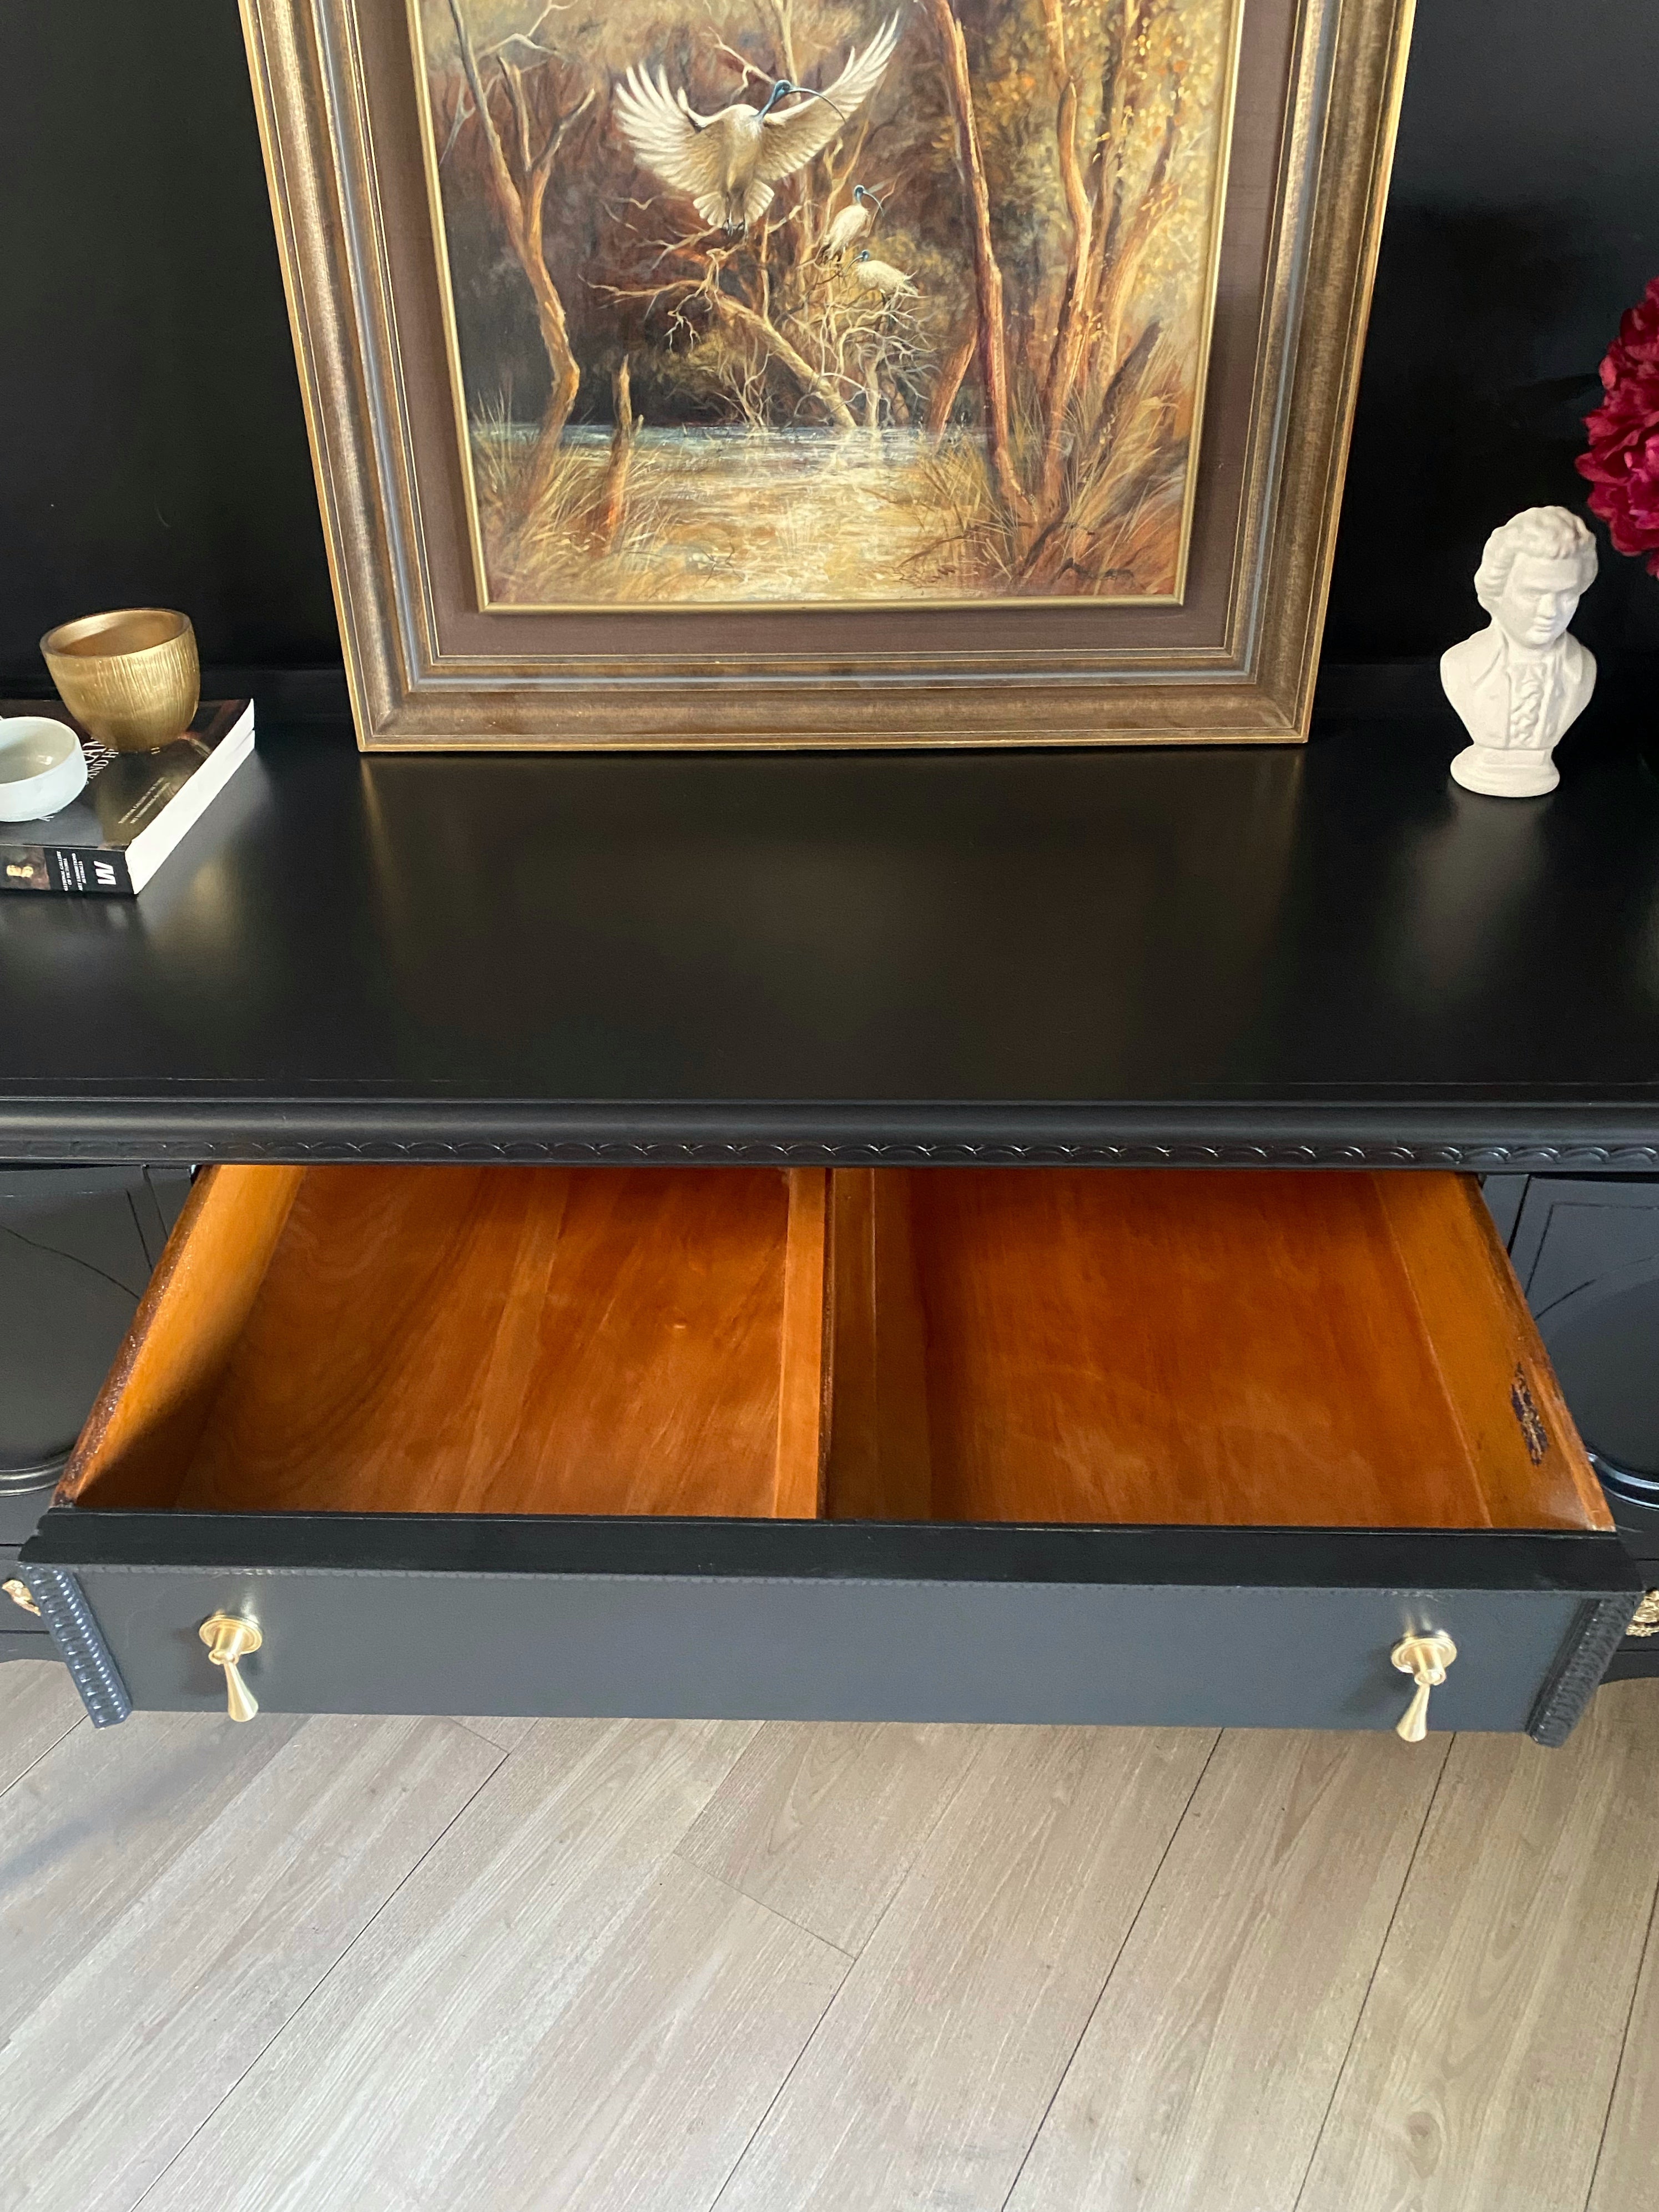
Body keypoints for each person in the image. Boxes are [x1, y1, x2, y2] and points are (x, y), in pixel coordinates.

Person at [1441, 506, 1598, 796]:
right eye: (1533, 594)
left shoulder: (1582, 669)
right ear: (1496, 589)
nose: (1550, 612)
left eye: (1567, 595)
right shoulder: (1460, 665)